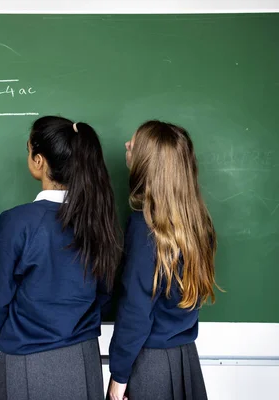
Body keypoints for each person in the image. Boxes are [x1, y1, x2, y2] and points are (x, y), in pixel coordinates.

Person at [0, 116, 122, 400]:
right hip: (83, 360)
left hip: (27, 358)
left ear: (39, 160)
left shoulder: (19, 222)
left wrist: (11, 336)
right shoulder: (99, 219)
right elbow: (106, 293)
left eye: (29, 149)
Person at [108, 120, 217, 400]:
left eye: (133, 144)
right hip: (184, 360)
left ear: (147, 162)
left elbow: (135, 309)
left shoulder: (144, 228)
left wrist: (118, 379)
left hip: (150, 365)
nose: (126, 145)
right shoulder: (197, 224)